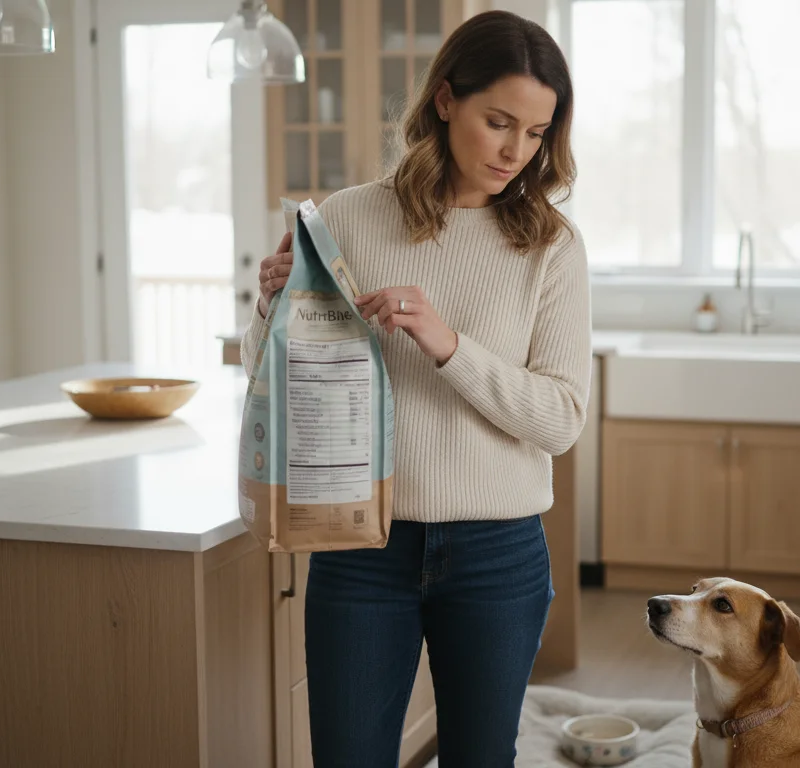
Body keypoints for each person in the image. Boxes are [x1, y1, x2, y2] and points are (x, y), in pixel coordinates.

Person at [238, 10, 591, 767]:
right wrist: (270, 305)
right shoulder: (347, 217)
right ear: (444, 100)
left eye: (535, 133)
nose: (514, 150)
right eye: (499, 121)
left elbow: (561, 420)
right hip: (362, 547)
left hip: (499, 552)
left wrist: (448, 345)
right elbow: (285, 384)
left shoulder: (551, 247)